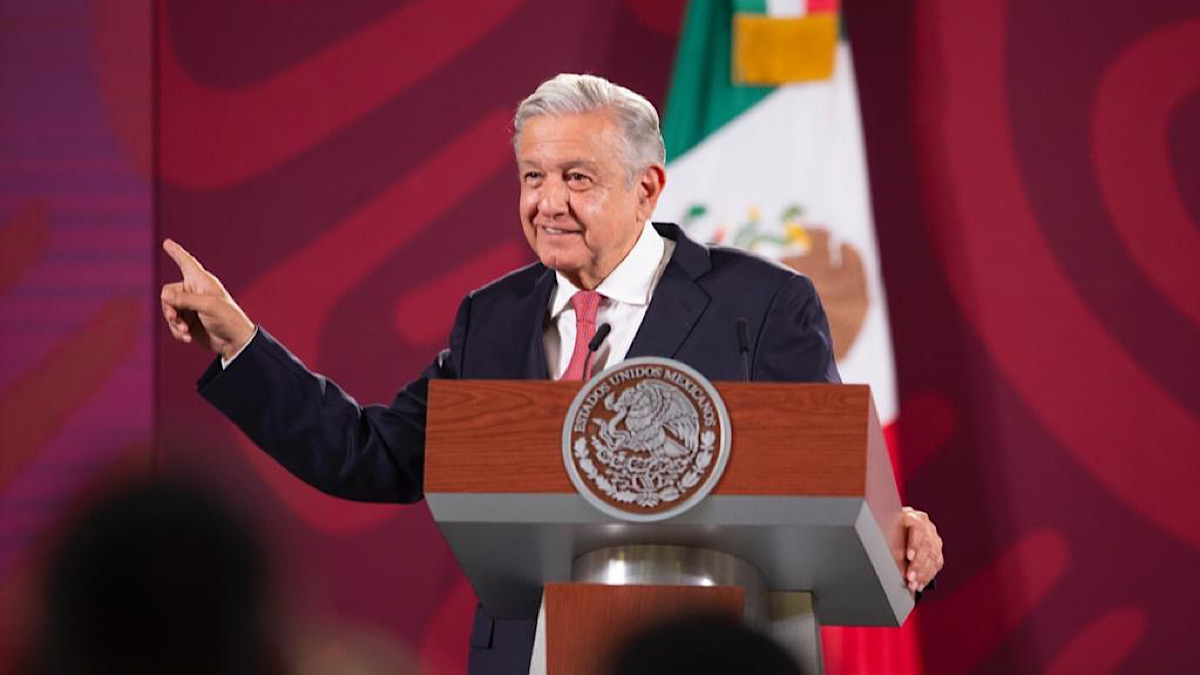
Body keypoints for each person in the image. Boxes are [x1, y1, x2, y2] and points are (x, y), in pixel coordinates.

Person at [160, 73, 943, 675]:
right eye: (532, 177)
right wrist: (243, 343)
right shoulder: (492, 318)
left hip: (709, 647)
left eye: (577, 176)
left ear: (648, 188)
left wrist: (894, 523)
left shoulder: (761, 302)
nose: (548, 203)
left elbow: (826, 470)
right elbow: (372, 454)